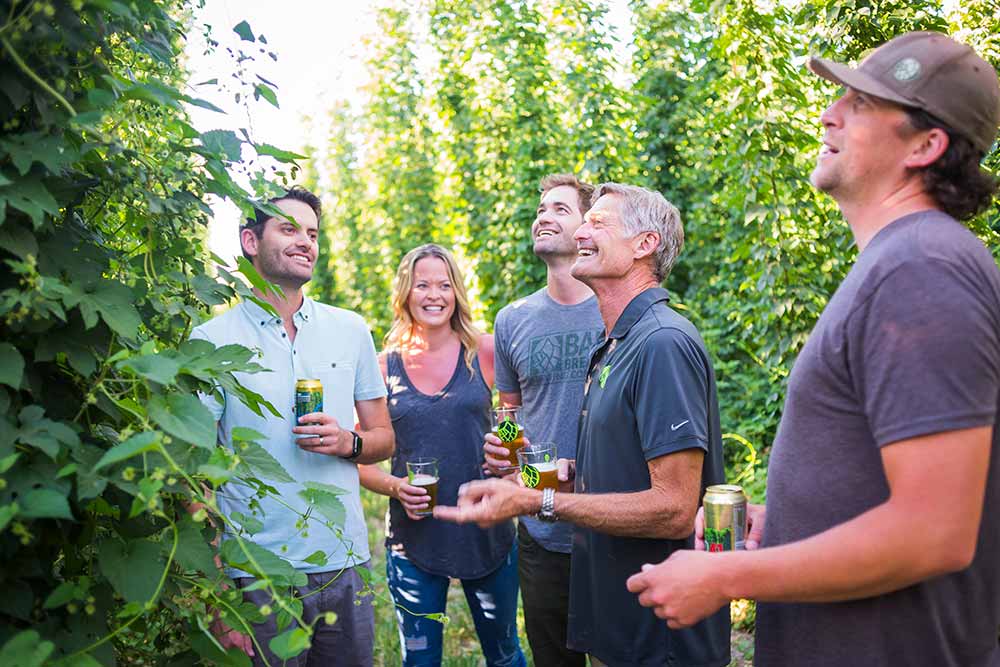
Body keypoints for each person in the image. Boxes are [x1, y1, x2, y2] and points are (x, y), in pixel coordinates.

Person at [625, 31, 1000, 667]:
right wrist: (794, 521)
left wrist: (724, 578)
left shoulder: (919, 267)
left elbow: (934, 533)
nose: (828, 113)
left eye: (859, 103)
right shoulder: (905, 262)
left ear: (925, 145)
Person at [438, 184, 731, 666]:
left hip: (661, 625)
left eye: (597, 221)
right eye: (584, 219)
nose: (582, 231)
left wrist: (536, 498)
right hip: (607, 586)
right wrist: (527, 468)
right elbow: (515, 413)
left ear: (644, 245)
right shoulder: (599, 339)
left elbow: (676, 507)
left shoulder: (660, 343)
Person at [191, 186, 395, 667]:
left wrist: (349, 442)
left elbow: (383, 438)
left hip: (345, 565)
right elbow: (194, 474)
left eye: (313, 233)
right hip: (255, 573)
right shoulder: (211, 340)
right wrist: (217, 588)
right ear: (249, 241)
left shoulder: (351, 329)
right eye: (289, 229)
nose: (306, 241)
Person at [358, 244, 526, 667]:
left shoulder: (484, 351)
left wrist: (506, 452)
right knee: (419, 661)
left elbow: (512, 417)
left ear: (457, 293)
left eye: (445, 285)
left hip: (487, 524)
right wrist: (397, 488)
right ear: (405, 293)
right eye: (423, 285)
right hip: (414, 536)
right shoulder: (382, 368)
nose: (434, 295)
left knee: (504, 655)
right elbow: (358, 456)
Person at [482, 173, 603, 667]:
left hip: (611, 522)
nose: (543, 217)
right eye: (540, 210)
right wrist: (507, 458)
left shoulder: (617, 309)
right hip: (542, 523)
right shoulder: (513, 318)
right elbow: (509, 410)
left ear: (587, 228)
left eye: (559, 209)